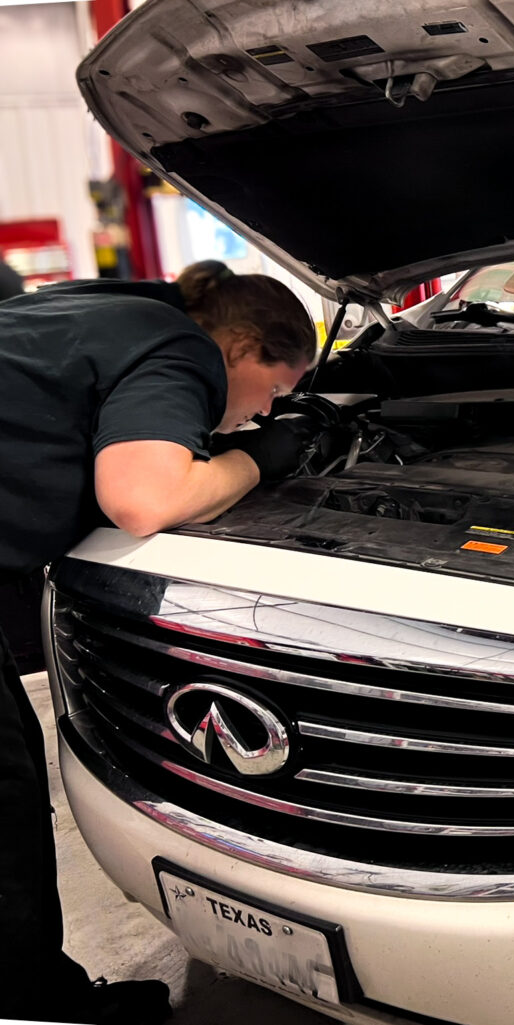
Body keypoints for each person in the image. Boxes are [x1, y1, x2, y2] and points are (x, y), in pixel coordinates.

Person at [0, 260, 317, 1023]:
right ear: (240, 347)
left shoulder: (94, 305)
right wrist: (254, 460)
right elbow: (143, 501)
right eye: (274, 392)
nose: (257, 415)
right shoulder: (182, 348)